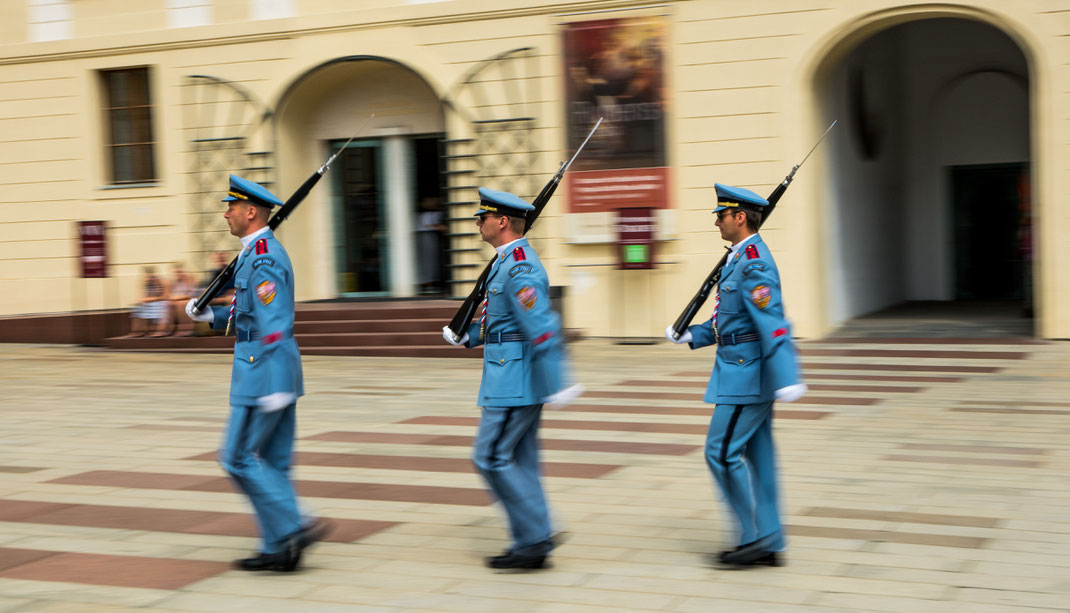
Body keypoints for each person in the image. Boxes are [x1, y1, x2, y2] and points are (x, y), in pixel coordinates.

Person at [184, 174, 329, 572]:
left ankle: (297, 523)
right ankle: (278, 548)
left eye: (232, 207)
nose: (226, 213)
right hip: (268, 368)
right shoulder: (254, 253)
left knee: (237, 457)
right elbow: (246, 315)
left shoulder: (263, 256)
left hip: (263, 373)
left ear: (251, 212)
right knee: (273, 463)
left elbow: (275, 320)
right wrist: (209, 314)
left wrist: (275, 382)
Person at [664, 183, 807, 568]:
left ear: (739, 217)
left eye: (721, 214)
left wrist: (788, 373)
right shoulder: (739, 258)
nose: (716, 221)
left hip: (748, 377)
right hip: (743, 371)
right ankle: (770, 540)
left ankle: (753, 538)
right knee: (760, 459)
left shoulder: (754, 261)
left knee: (720, 452)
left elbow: (772, 321)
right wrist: (692, 334)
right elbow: (731, 322)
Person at [441, 187, 582, 570]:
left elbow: (539, 323)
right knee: (520, 460)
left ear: (501, 222)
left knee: (488, 456)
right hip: (512, 371)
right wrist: (467, 335)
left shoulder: (519, 266)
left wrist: (560, 377)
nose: (477, 223)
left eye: (482, 217)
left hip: (515, 380)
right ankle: (530, 540)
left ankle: (536, 535)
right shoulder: (507, 261)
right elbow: (505, 325)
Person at [128, 266, 170, 337]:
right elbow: (144, 296)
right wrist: (141, 300)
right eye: (148, 277)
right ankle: (137, 331)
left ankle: (161, 331)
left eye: (152, 277)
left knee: (163, 306)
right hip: (152, 302)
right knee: (138, 307)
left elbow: (165, 296)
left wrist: (152, 299)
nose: (150, 279)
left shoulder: (162, 281)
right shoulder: (146, 282)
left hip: (161, 301)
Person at [168, 261, 198, 336]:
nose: (179, 274)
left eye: (180, 272)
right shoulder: (173, 282)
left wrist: (175, 298)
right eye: (177, 272)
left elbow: (189, 295)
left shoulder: (190, 278)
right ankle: (169, 329)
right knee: (169, 304)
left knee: (181, 304)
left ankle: (186, 328)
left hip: (191, 300)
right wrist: (174, 299)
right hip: (177, 300)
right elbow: (170, 294)